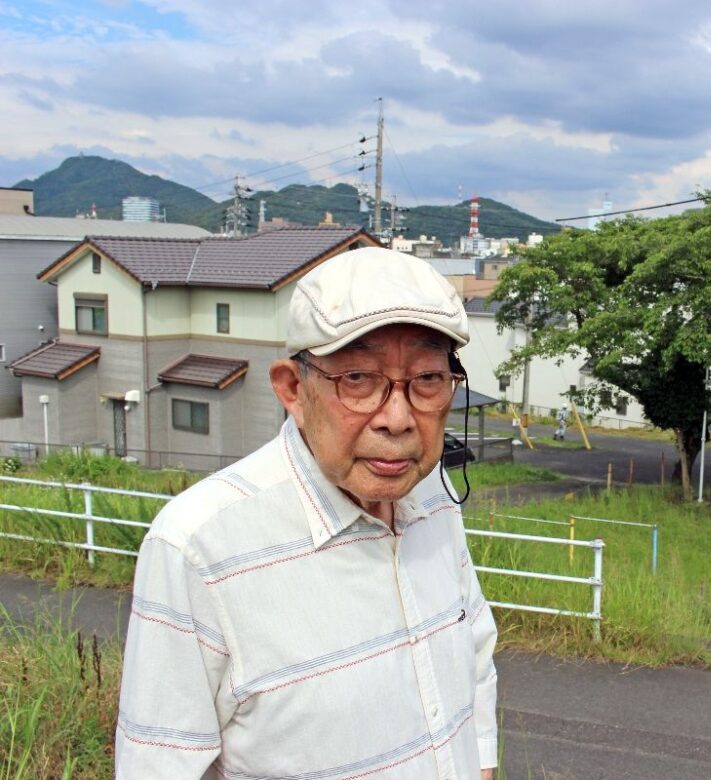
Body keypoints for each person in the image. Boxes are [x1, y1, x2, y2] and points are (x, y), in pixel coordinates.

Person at [116, 247, 498, 779]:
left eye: (427, 380)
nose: (397, 418)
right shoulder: (199, 547)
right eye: (358, 379)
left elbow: (475, 651)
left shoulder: (432, 493)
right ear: (293, 389)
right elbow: (158, 765)